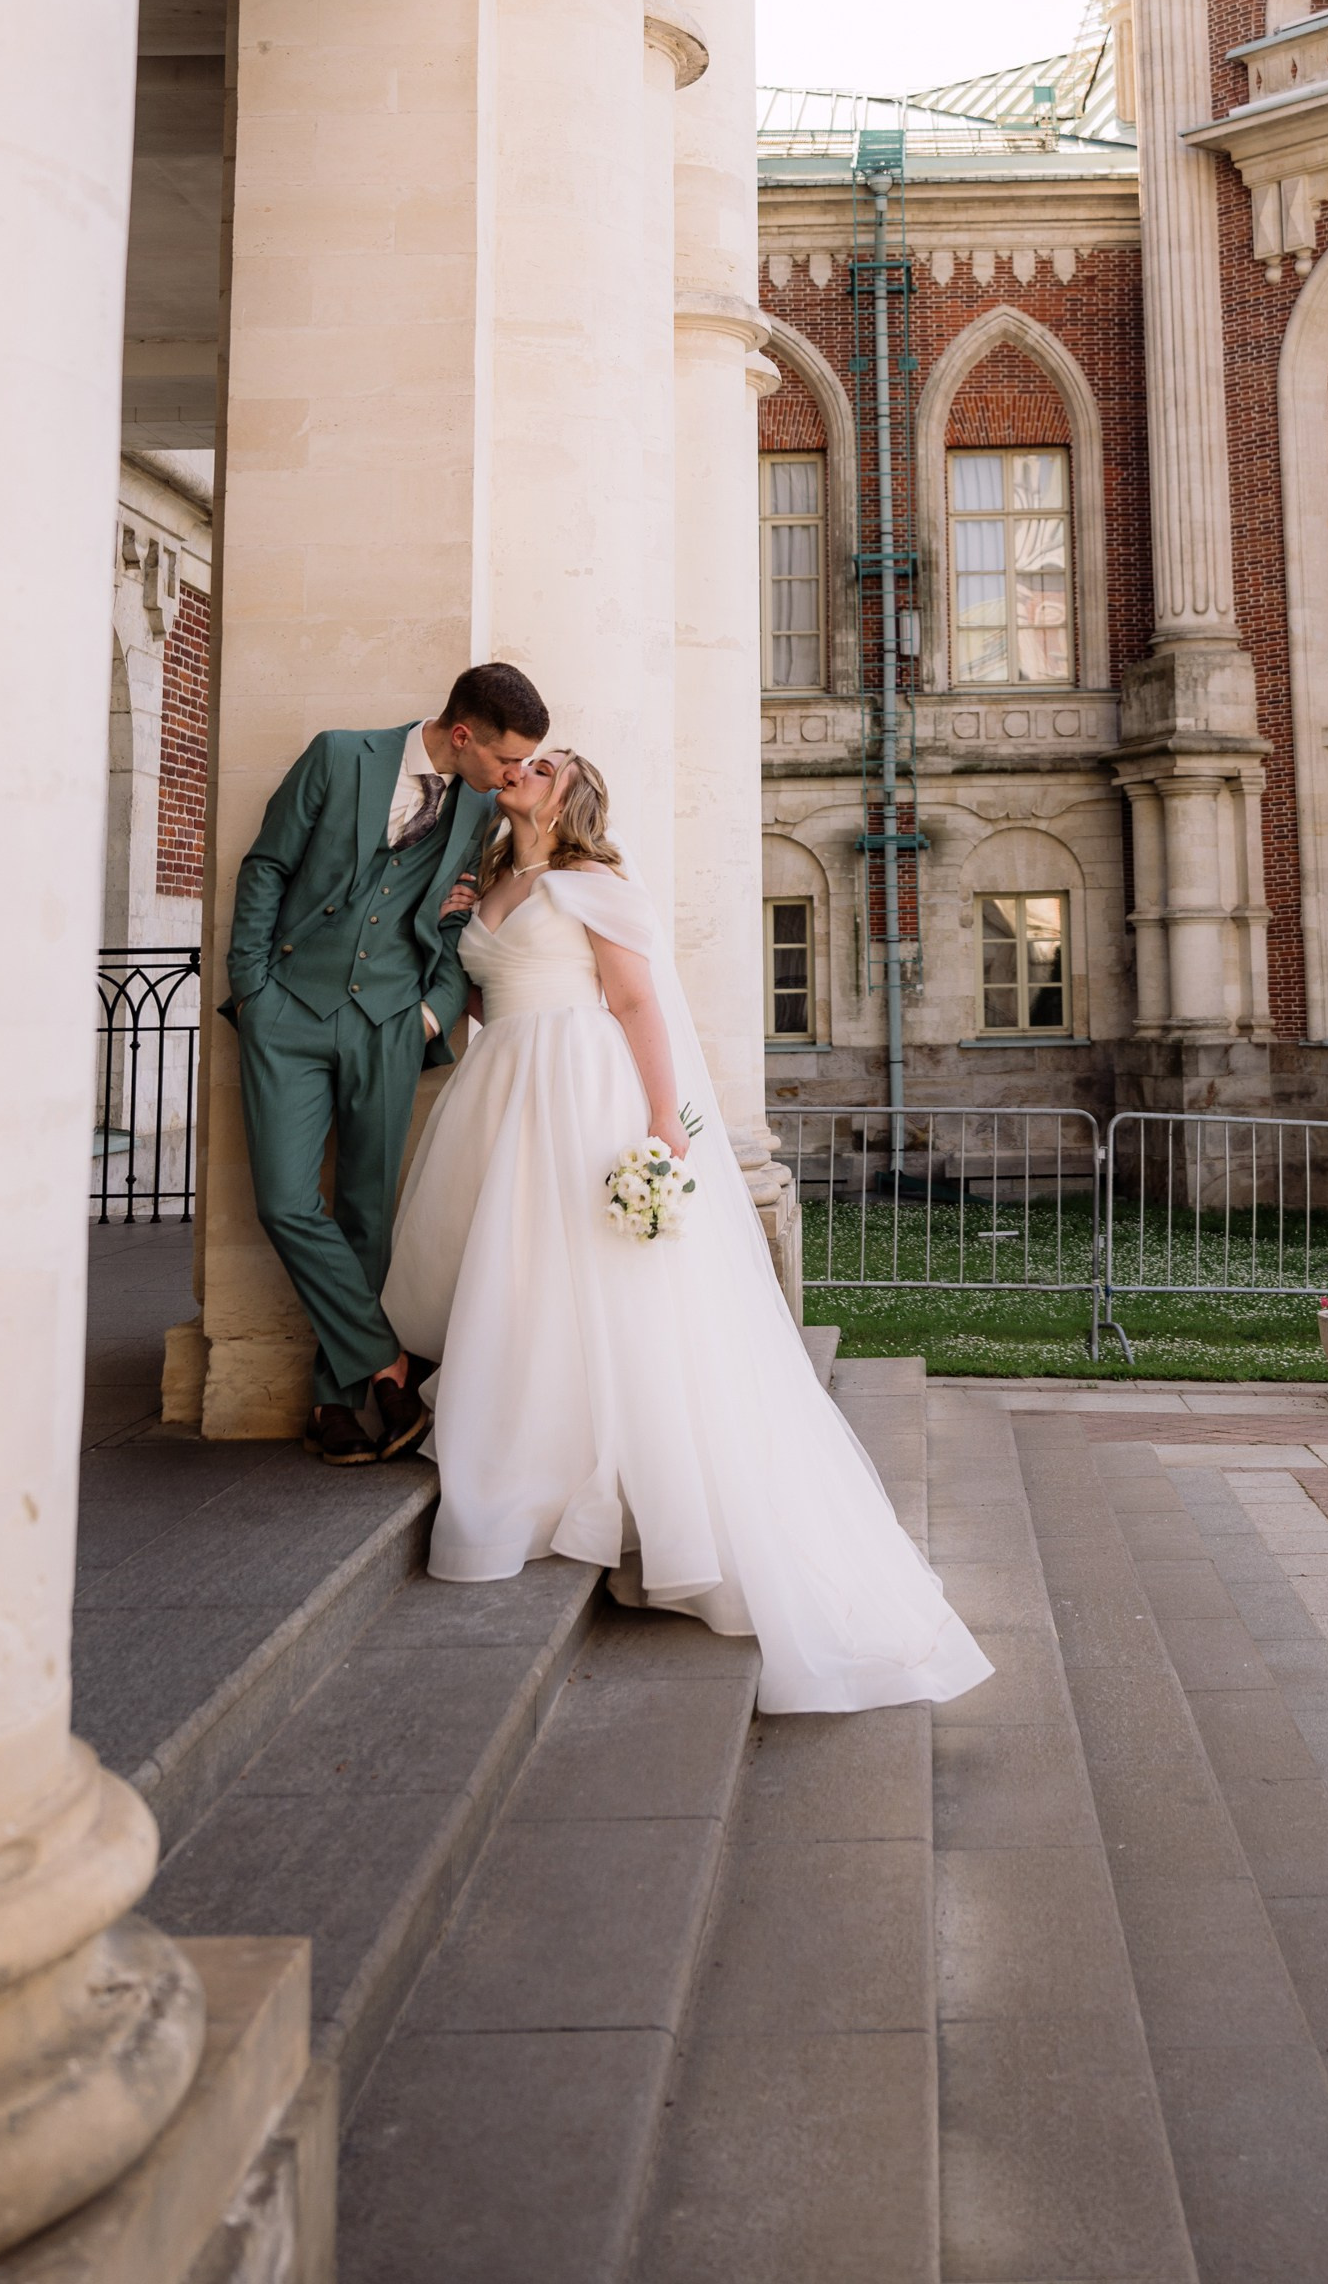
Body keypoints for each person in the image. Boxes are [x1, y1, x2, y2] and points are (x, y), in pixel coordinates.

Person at [384, 751, 990, 1714]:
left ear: (571, 794)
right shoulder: (491, 879)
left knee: (589, 1271)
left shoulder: (595, 886)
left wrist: (665, 1122)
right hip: (498, 1089)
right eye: (517, 759)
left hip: (580, 1088)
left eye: (540, 764)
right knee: (520, 1273)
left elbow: (636, 1004)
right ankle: (528, 1436)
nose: (520, 770)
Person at [227, 661, 551, 1465]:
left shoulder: (482, 811)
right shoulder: (340, 757)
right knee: (284, 1202)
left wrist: (432, 1015)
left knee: (368, 1214)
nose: (515, 774)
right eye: (508, 757)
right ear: (464, 734)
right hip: (290, 1011)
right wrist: (254, 989)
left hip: (392, 1023)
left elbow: (457, 927)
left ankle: (334, 1406)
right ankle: (388, 1364)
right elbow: (266, 866)